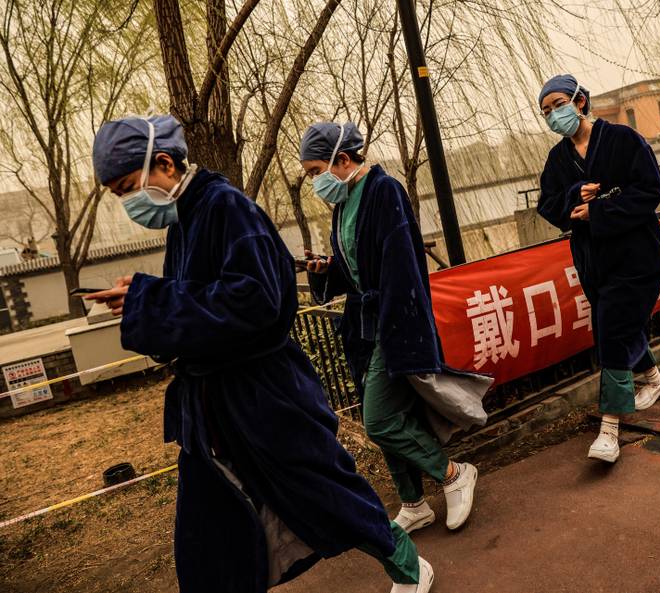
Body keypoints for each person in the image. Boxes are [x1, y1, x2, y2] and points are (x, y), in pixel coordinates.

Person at [87, 115, 434, 593]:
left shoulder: (227, 207)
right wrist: (143, 300)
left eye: (128, 187)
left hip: (268, 396)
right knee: (209, 529)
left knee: (328, 493)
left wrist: (154, 301)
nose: (129, 204)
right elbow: (197, 298)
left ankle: (406, 562)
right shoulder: (185, 222)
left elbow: (256, 302)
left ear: (163, 163)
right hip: (213, 408)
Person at [301, 122, 491, 535]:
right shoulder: (345, 204)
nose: (314, 182)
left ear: (343, 160)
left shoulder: (384, 192)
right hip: (365, 327)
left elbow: (401, 270)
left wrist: (396, 332)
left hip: (393, 324)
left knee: (379, 420)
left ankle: (454, 473)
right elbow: (355, 271)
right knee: (394, 414)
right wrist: (325, 270)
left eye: (316, 171)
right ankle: (413, 502)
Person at [536, 75, 660, 463]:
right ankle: (653, 379)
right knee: (620, 324)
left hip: (637, 257)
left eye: (558, 104)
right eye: (545, 111)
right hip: (594, 264)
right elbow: (547, 205)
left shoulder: (623, 140)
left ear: (579, 101)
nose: (553, 115)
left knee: (611, 329)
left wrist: (600, 210)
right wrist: (574, 198)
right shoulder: (558, 159)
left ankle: (609, 426)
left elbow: (650, 190)